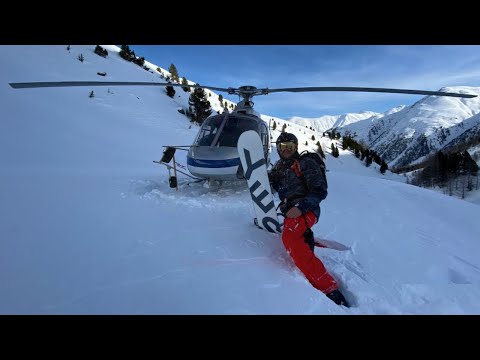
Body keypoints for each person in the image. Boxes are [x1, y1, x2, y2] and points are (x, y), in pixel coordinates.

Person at [268, 132, 349, 307]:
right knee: (298, 235)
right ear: (278, 149)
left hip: (308, 209)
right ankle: (307, 241)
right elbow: (270, 182)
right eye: (283, 147)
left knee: (289, 237)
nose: (287, 150)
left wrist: (300, 208)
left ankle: (328, 287)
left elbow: (320, 190)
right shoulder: (279, 168)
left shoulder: (306, 163)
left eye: (290, 146)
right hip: (291, 211)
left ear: (296, 147)